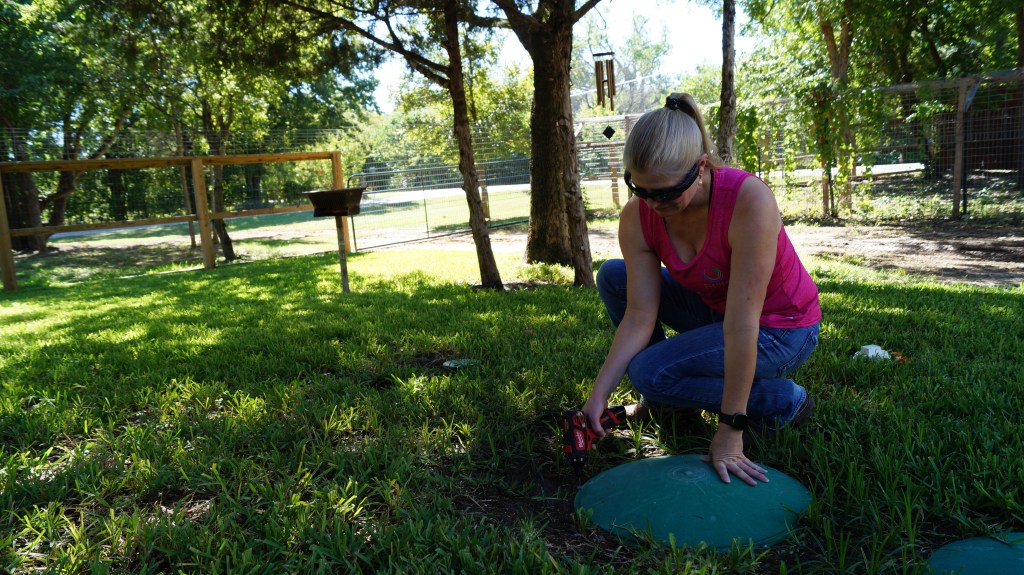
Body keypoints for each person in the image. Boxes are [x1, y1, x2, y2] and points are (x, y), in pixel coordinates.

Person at [582, 93, 821, 487]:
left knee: (647, 371)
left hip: (781, 329)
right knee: (613, 275)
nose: (653, 204)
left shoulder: (748, 201)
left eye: (666, 193)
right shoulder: (639, 214)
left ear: (701, 168)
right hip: (720, 311)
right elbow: (640, 314)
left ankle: (783, 400)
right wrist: (599, 393)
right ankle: (666, 402)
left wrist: (731, 429)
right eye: (640, 190)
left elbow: (743, 325)